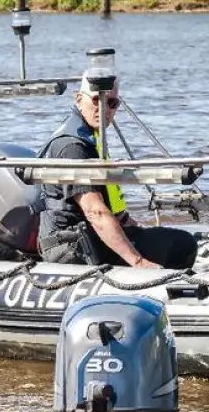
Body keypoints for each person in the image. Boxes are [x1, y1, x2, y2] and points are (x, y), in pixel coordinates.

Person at [35, 77, 198, 269]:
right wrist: (138, 262)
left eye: (112, 103)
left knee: (164, 237)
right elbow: (95, 211)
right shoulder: (73, 147)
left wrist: (131, 225)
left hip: (84, 235)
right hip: (71, 245)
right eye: (97, 100)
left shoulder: (89, 136)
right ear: (79, 99)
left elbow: (107, 201)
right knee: (181, 245)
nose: (105, 109)